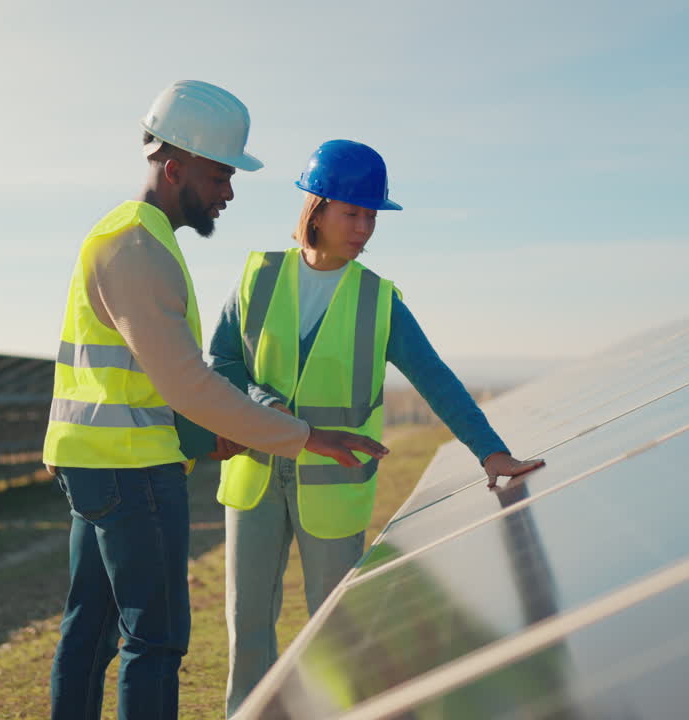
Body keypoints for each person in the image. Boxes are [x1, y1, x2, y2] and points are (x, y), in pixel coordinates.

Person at [42, 84, 390, 720]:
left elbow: (131, 382)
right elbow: (187, 384)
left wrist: (209, 437)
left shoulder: (121, 234)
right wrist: (303, 437)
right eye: (220, 175)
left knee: (89, 632)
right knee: (155, 638)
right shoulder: (140, 249)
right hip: (134, 474)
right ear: (176, 169)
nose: (229, 192)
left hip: (94, 463)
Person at [210, 139, 545, 716]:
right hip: (254, 476)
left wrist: (492, 453)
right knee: (247, 627)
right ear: (316, 207)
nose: (365, 228)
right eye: (353, 212)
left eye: (372, 215)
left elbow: (437, 381)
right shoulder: (256, 276)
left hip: (334, 487)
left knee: (341, 634)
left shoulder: (380, 301)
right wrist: (263, 400)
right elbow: (220, 365)